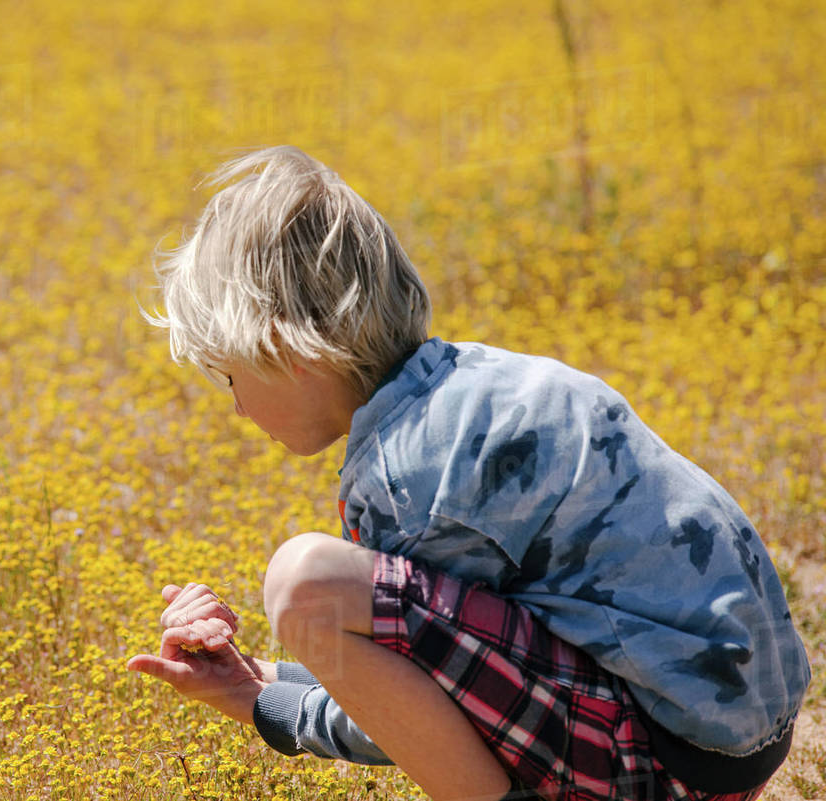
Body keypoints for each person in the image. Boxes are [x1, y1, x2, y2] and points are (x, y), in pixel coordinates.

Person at [125, 145, 811, 801]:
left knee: (303, 582)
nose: (237, 406)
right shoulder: (476, 381)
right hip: (728, 735)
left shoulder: (406, 480)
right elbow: (463, 670)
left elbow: (437, 719)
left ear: (281, 347)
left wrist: (272, 706)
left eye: (229, 374)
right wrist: (261, 681)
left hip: (669, 766)